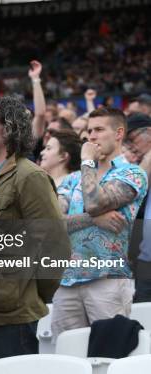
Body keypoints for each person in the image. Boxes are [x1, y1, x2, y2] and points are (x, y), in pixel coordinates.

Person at [0, 96, 71, 373]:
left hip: (10, 315)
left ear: (8, 129)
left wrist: (25, 290)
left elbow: (55, 245)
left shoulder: (29, 176)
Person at [53, 107, 147, 338]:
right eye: (89, 130)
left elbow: (95, 202)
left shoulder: (132, 174)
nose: (91, 136)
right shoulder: (72, 178)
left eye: (98, 130)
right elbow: (52, 222)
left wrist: (87, 162)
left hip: (107, 281)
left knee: (109, 354)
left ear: (118, 133)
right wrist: (92, 219)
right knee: (66, 358)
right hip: (67, 281)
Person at [126, 113, 151, 302]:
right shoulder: (140, 164)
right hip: (146, 257)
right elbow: (133, 192)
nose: (131, 145)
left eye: (132, 138)